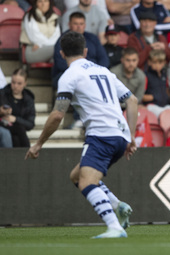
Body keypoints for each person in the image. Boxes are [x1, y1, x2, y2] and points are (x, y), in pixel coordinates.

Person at [25, 31, 138, 239]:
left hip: (101, 135)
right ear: (85, 51)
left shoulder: (69, 76)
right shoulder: (104, 70)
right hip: (120, 136)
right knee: (76, 176)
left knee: (86, 183)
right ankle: (117, 206)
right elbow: (132, 101)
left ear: (61, 53)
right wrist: (131, 137)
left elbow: (58, 114)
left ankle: (114, 227)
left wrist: (39, 143)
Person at [52, 12, 109, 89]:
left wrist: (93, 71)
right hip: (69, 73)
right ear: (69, 25)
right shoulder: (62, 40)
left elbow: (104, 59)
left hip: (92, 73)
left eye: (81, 24)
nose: (79, 27)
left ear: (85, 25)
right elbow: (61, 64)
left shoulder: (93, 38)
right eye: (75, 24)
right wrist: (83, 72)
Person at [0, 68, 35, 147]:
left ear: (25, 83)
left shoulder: (28, 99)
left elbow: (30, 124)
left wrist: (15, 119)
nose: (15, 86)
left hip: (18, 131)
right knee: (17, 131)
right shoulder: (2, 93)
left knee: (17, 136)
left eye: (19, 83)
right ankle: (28, 155)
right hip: (3, 125)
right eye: (13, 82)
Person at [19, 0, 61, 64]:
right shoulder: (29, 16)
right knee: (59, 49)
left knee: (57, 59)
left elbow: (57, 36)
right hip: (32, 50)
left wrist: (42, 45)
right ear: (36, 4)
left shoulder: (54, 17)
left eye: (46, 1)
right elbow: (35, 38)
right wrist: (53, 45)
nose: (43, 4)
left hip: (48, 49)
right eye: (40, 1)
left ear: (50, 3)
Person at [143, 49, 170, 117]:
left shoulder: (165, 75)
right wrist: (154, 97)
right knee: (163, 115)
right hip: (151, 106)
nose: (157, 65)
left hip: (165, 106)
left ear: (164, 63)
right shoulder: (145, 76)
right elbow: (141, 96)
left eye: (160, 63)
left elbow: (168, 90)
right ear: (149, 62)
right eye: (154, 62)